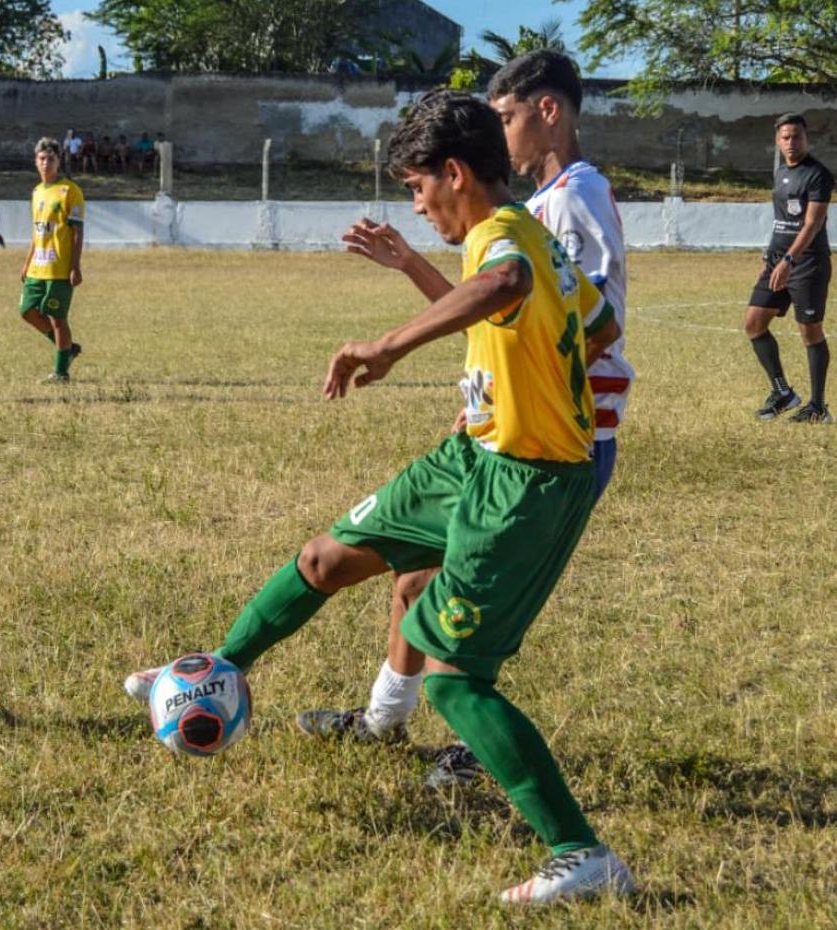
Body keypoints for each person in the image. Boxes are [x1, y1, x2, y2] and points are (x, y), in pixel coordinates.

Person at [125, 91, 635, 905]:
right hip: (472, 455)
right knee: (325, 557)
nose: (417, 203)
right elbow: (593, 325)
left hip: (527, 481)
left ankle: (582, 853)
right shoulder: (524, 236)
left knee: (453, 678)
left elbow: (504, 285)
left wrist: (386, 345)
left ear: (456, 173)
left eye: (416, 187)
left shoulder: (506, 240)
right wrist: (497, 345)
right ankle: (213, 671)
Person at [296, 50, 633, 788]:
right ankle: (384, 720)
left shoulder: (573, 199)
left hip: (556, 440)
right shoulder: (537, 207)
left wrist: (522, 390)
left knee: (462, 614)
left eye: (506, 116)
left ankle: (483, 752)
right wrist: (420, 276)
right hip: (510, 426)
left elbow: (591, 323)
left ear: (547, 112)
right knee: (416, 582)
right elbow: (501, 311)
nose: (499, 131)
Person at [745, 112, 833, 423]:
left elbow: (812, 225)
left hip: (807, 264)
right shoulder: (781, 172)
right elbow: (781, 221)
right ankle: (783, 392)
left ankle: (818, 407)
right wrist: (770, 258)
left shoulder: (818, 175)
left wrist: (789, 260)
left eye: (797, 136)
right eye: (785, 137)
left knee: (810, 333)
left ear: (806, 139)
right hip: (778, 261)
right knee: (754, 323)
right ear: (777, 141)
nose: (791, 142)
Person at [18, 137, 85, 384]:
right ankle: (68, 349)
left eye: (51, 159)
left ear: (59, 162)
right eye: (42, 159)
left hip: (60, 267)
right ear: (36, 162)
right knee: (26, 311)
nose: (46, 163)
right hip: (38, 266)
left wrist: (75, 266)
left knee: (58, 319)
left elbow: (77, 231)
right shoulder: (36, 192)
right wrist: (26, 262)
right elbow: (37, 232)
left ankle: (61, 373)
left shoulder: (70, 191)